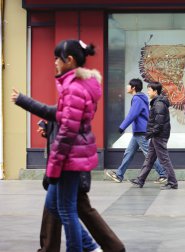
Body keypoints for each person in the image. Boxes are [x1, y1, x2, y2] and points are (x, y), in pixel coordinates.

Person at [15, 39, 104, 252]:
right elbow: (61, 115)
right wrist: (24, 101)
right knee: (56, 205)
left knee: (66, 210)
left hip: (68, 158)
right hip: (73, 156)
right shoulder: (77, 86)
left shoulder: (74, 88)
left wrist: (53, 168)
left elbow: (66, 133)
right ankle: (90, 247)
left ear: (69, 60)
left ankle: (84, 248)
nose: (54, 62)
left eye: (57, 58)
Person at [11, 91, 126, 252]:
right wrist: (49, 130)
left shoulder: (74, 97)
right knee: (65, 207)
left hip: (66, 166)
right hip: (66, 165)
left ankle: (94, 246)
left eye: (59, 63)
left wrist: (22, 99)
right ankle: (105, 246)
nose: (57, 64)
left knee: (65, 208)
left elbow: (57, 118)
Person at [105, 78, 167, 184]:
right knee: (128, 153)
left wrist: (122, 127)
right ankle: (119, 175)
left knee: (149, 154)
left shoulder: (137, 99)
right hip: (138, 131)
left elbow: (132, 114)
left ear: (133, 88)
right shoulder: (139, 98)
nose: (127, 87)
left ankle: (163, 174)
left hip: (141, 131)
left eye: (129, 85)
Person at [130, 82, 178, 190]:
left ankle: (172, 182)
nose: (147, 92)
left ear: (155, 91)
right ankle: (140, 179)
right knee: (149, 158)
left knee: (164, 159)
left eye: (149, 90)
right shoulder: (156, 102)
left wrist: (151, 133)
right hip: (156, 135)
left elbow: (159, 123)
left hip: (159, 136)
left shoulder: (159, 104)